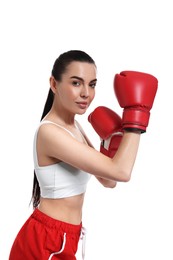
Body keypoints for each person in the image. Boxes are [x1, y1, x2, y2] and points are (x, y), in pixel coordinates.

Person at [9, 50, 158, 260]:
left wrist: (110, 144)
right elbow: (121, 172)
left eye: (92, 84)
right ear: (54, 84)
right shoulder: (49, 132)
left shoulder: (75, 127)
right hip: (46, 240)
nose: (86, 93)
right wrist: (136, 114)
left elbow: (109, 180)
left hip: (66, 236)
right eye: (76, 83)